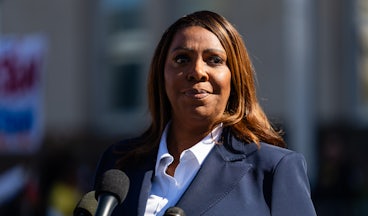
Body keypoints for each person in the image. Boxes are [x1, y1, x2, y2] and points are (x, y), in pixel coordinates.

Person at [93, 10, 317, 216]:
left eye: (214, 60)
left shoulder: (274, 169)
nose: (197, 72)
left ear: (235, 77)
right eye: (182, 59)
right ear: (161, 75)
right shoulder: (118, 163)